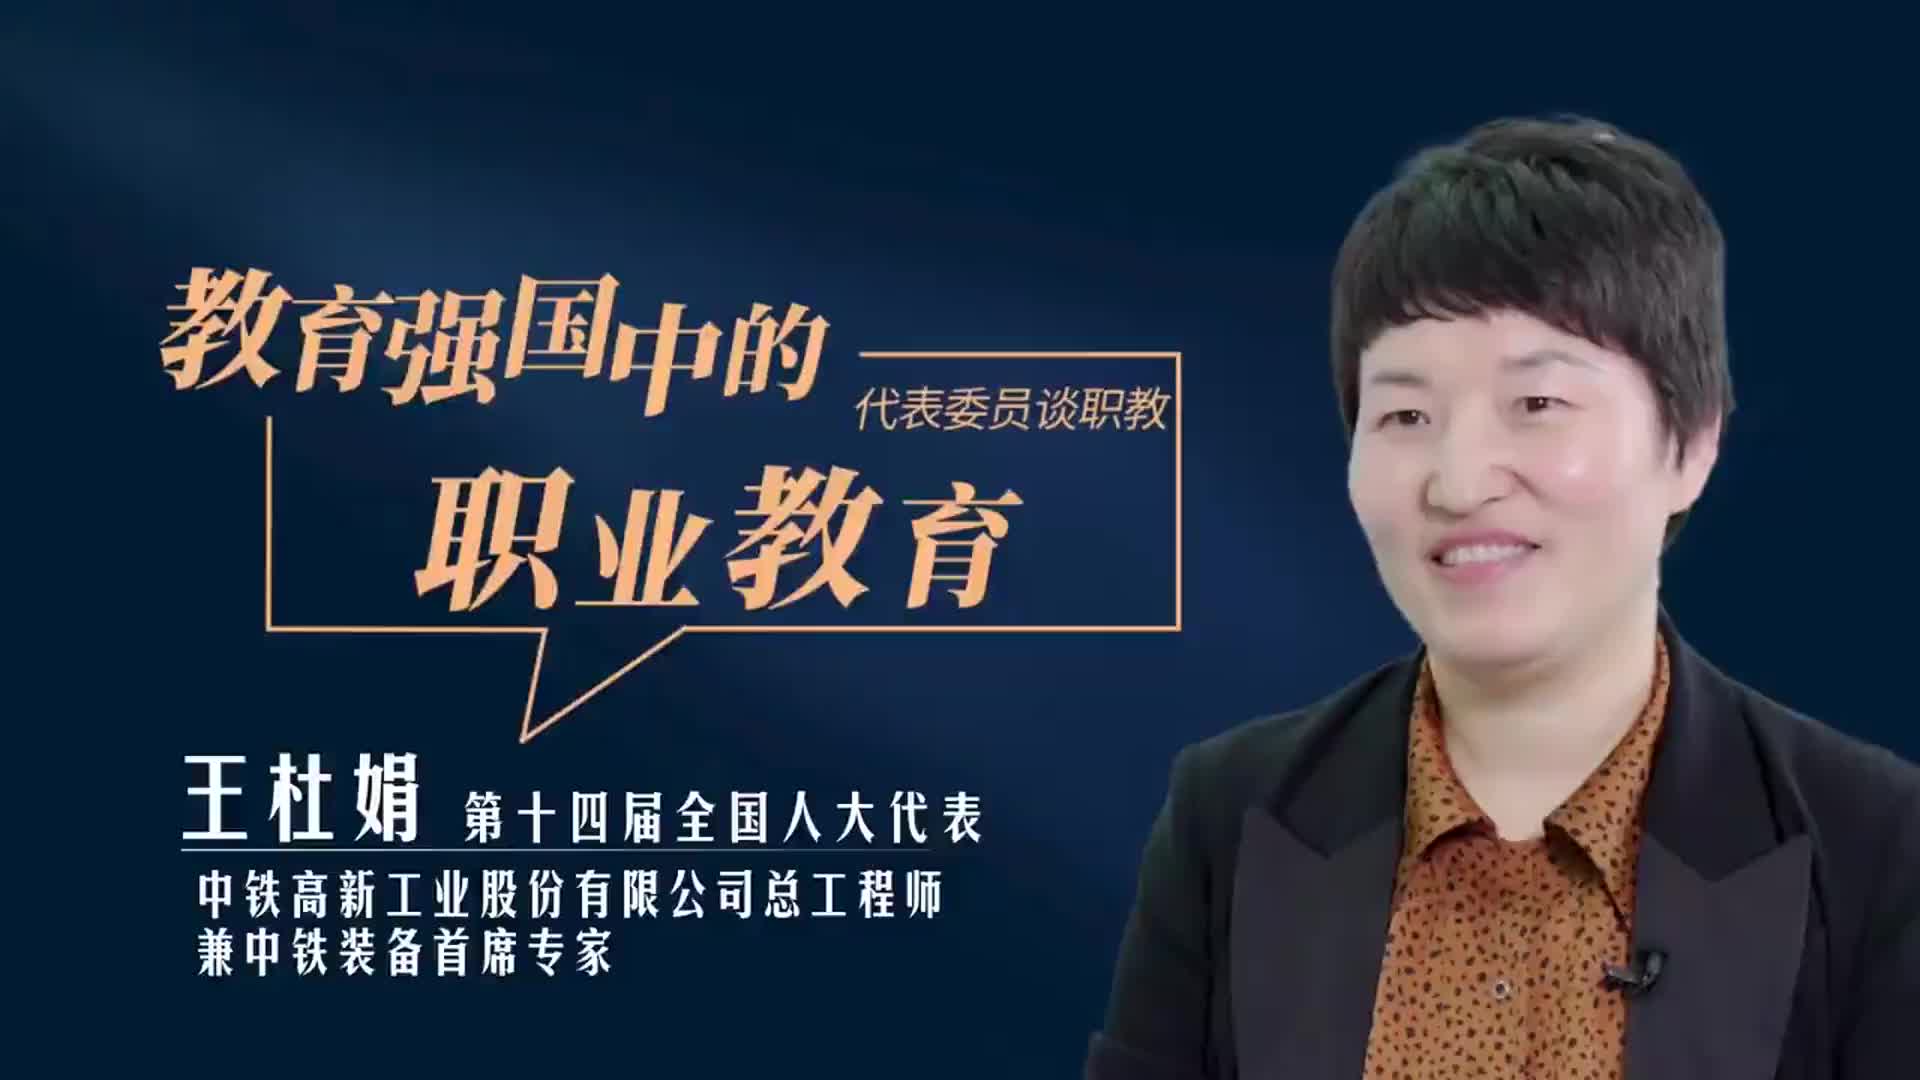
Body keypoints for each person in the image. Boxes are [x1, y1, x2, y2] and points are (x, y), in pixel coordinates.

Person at [1085, 115, 1919, 1080]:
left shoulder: (1875, 847)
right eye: (1406, 414)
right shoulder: (1229, 817)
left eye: (1537, 404)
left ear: (1690, 443)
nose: (1459, 481)